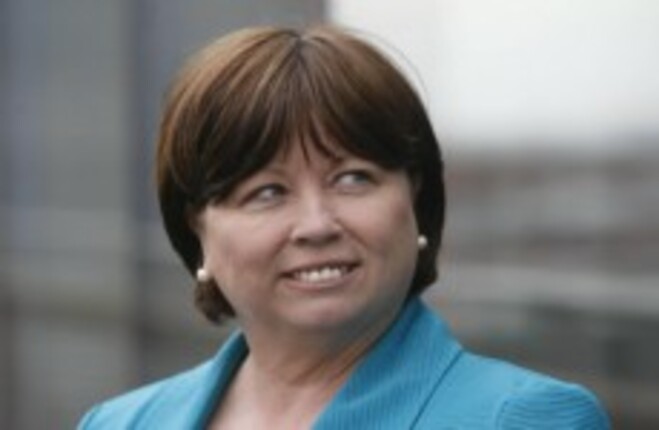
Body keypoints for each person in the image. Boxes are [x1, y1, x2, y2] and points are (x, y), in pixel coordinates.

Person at [78, 25, 610, 429]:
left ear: (415, 197)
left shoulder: (523, 419)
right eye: (267, 192)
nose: (316, 225)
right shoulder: (119, 423)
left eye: (353, 178)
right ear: (199, 233)